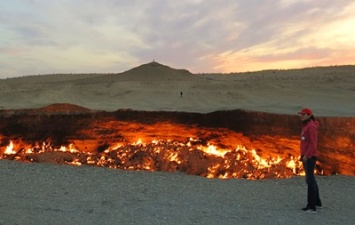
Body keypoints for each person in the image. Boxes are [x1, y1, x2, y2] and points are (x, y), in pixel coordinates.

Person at [298, 108, 322, 213]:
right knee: (311, 179)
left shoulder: (311, 126)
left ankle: (312, 207)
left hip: (310, 157)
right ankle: (317, 202)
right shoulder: (306, 125)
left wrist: (307, 156)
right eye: (301, 114)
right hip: (307, 155)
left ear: (309, 115)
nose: (301, 116)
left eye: (303, 114)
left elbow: (313, 143)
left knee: (310, 180)